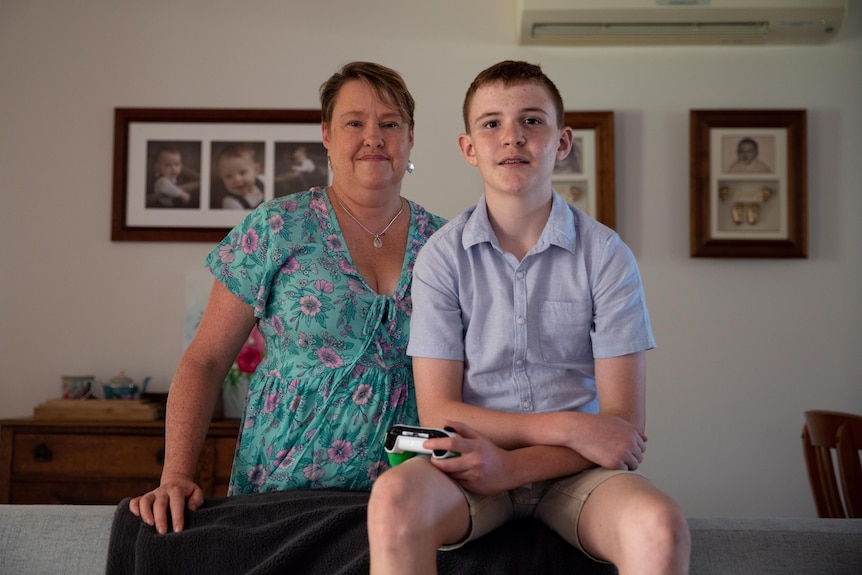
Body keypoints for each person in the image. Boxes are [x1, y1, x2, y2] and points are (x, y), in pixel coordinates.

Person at [367, 61, 690, 574]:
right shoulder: (441, 258)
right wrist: (567, 426)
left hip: (577, 473)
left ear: (562, 143)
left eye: (532, 121)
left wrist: (515, 465)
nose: (512, 137)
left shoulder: (606, 256)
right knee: (392, 498)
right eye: (491, 123)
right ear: (469, 148)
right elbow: (438, 411)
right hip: (470, 467)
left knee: (660, 523)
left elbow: (623, 430)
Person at [129, 61, 446, 535]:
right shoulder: (276, 227)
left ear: (411, 136)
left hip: (409, 497)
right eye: (354, 122)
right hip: (280, 487)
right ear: (325, 134)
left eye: (390, 123)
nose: (373, 137)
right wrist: (175, 475)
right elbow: (206, 360)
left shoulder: (447, 243)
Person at [215, 143, 266, 209]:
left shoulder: (262, 180)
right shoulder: (231, 202)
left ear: (256, 170)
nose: (237, 179)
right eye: (228, 176)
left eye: (242, 172)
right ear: (222, 177)